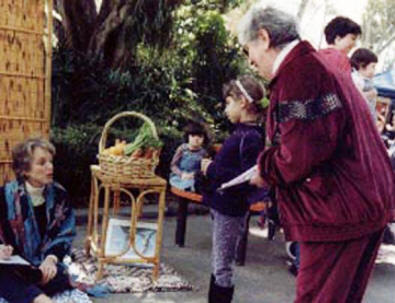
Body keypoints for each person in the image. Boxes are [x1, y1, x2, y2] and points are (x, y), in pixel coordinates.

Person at [238, 5, 395, 303]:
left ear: (264, 37)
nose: (251, 62)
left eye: (249, 51)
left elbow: (298, 155)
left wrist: (265, 168)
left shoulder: (301, 73)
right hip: (360, 205)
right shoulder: (316, 67)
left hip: (337, 211)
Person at [201, 75, 266, 303]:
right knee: (219, 261)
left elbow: (245, 177)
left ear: (242, 102)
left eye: (229, 102)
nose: (226, 109)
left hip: (230, 208)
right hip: (223, 206)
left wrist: (211, 170)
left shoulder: (250, 137)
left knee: (222, 266)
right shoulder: (243, 133)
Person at [0, 138, 76, 303]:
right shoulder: (4, 196)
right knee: (4, 274)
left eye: (50, 162)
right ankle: (40, 299)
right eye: (42, 163)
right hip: (14, 265)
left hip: (45, 265)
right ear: (25, 170)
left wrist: (51, 259)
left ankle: (29, 292)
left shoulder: (60, 195)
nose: (50, 167)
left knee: (61, 275)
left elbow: (65, 234)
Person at [169, 121, 209, 192]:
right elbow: (173, 165)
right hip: (180, 176)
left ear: (204, 138)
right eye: (193, 136)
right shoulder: (182, 149)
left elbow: (203, 169)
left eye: (200, 137)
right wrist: (181, 174)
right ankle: (186, 188)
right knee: (180, 182)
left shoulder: (203, 153)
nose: (196, 139)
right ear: (188, 137)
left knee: (195, 183)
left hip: (193, 176)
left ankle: (192, 188)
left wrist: (194, 174)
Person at [350, 48, 379, 120]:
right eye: (373, 67)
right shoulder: (356, 79)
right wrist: (370, 94)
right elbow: (354, 99)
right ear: (362, 65)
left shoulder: (365, 79)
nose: (374, 70)